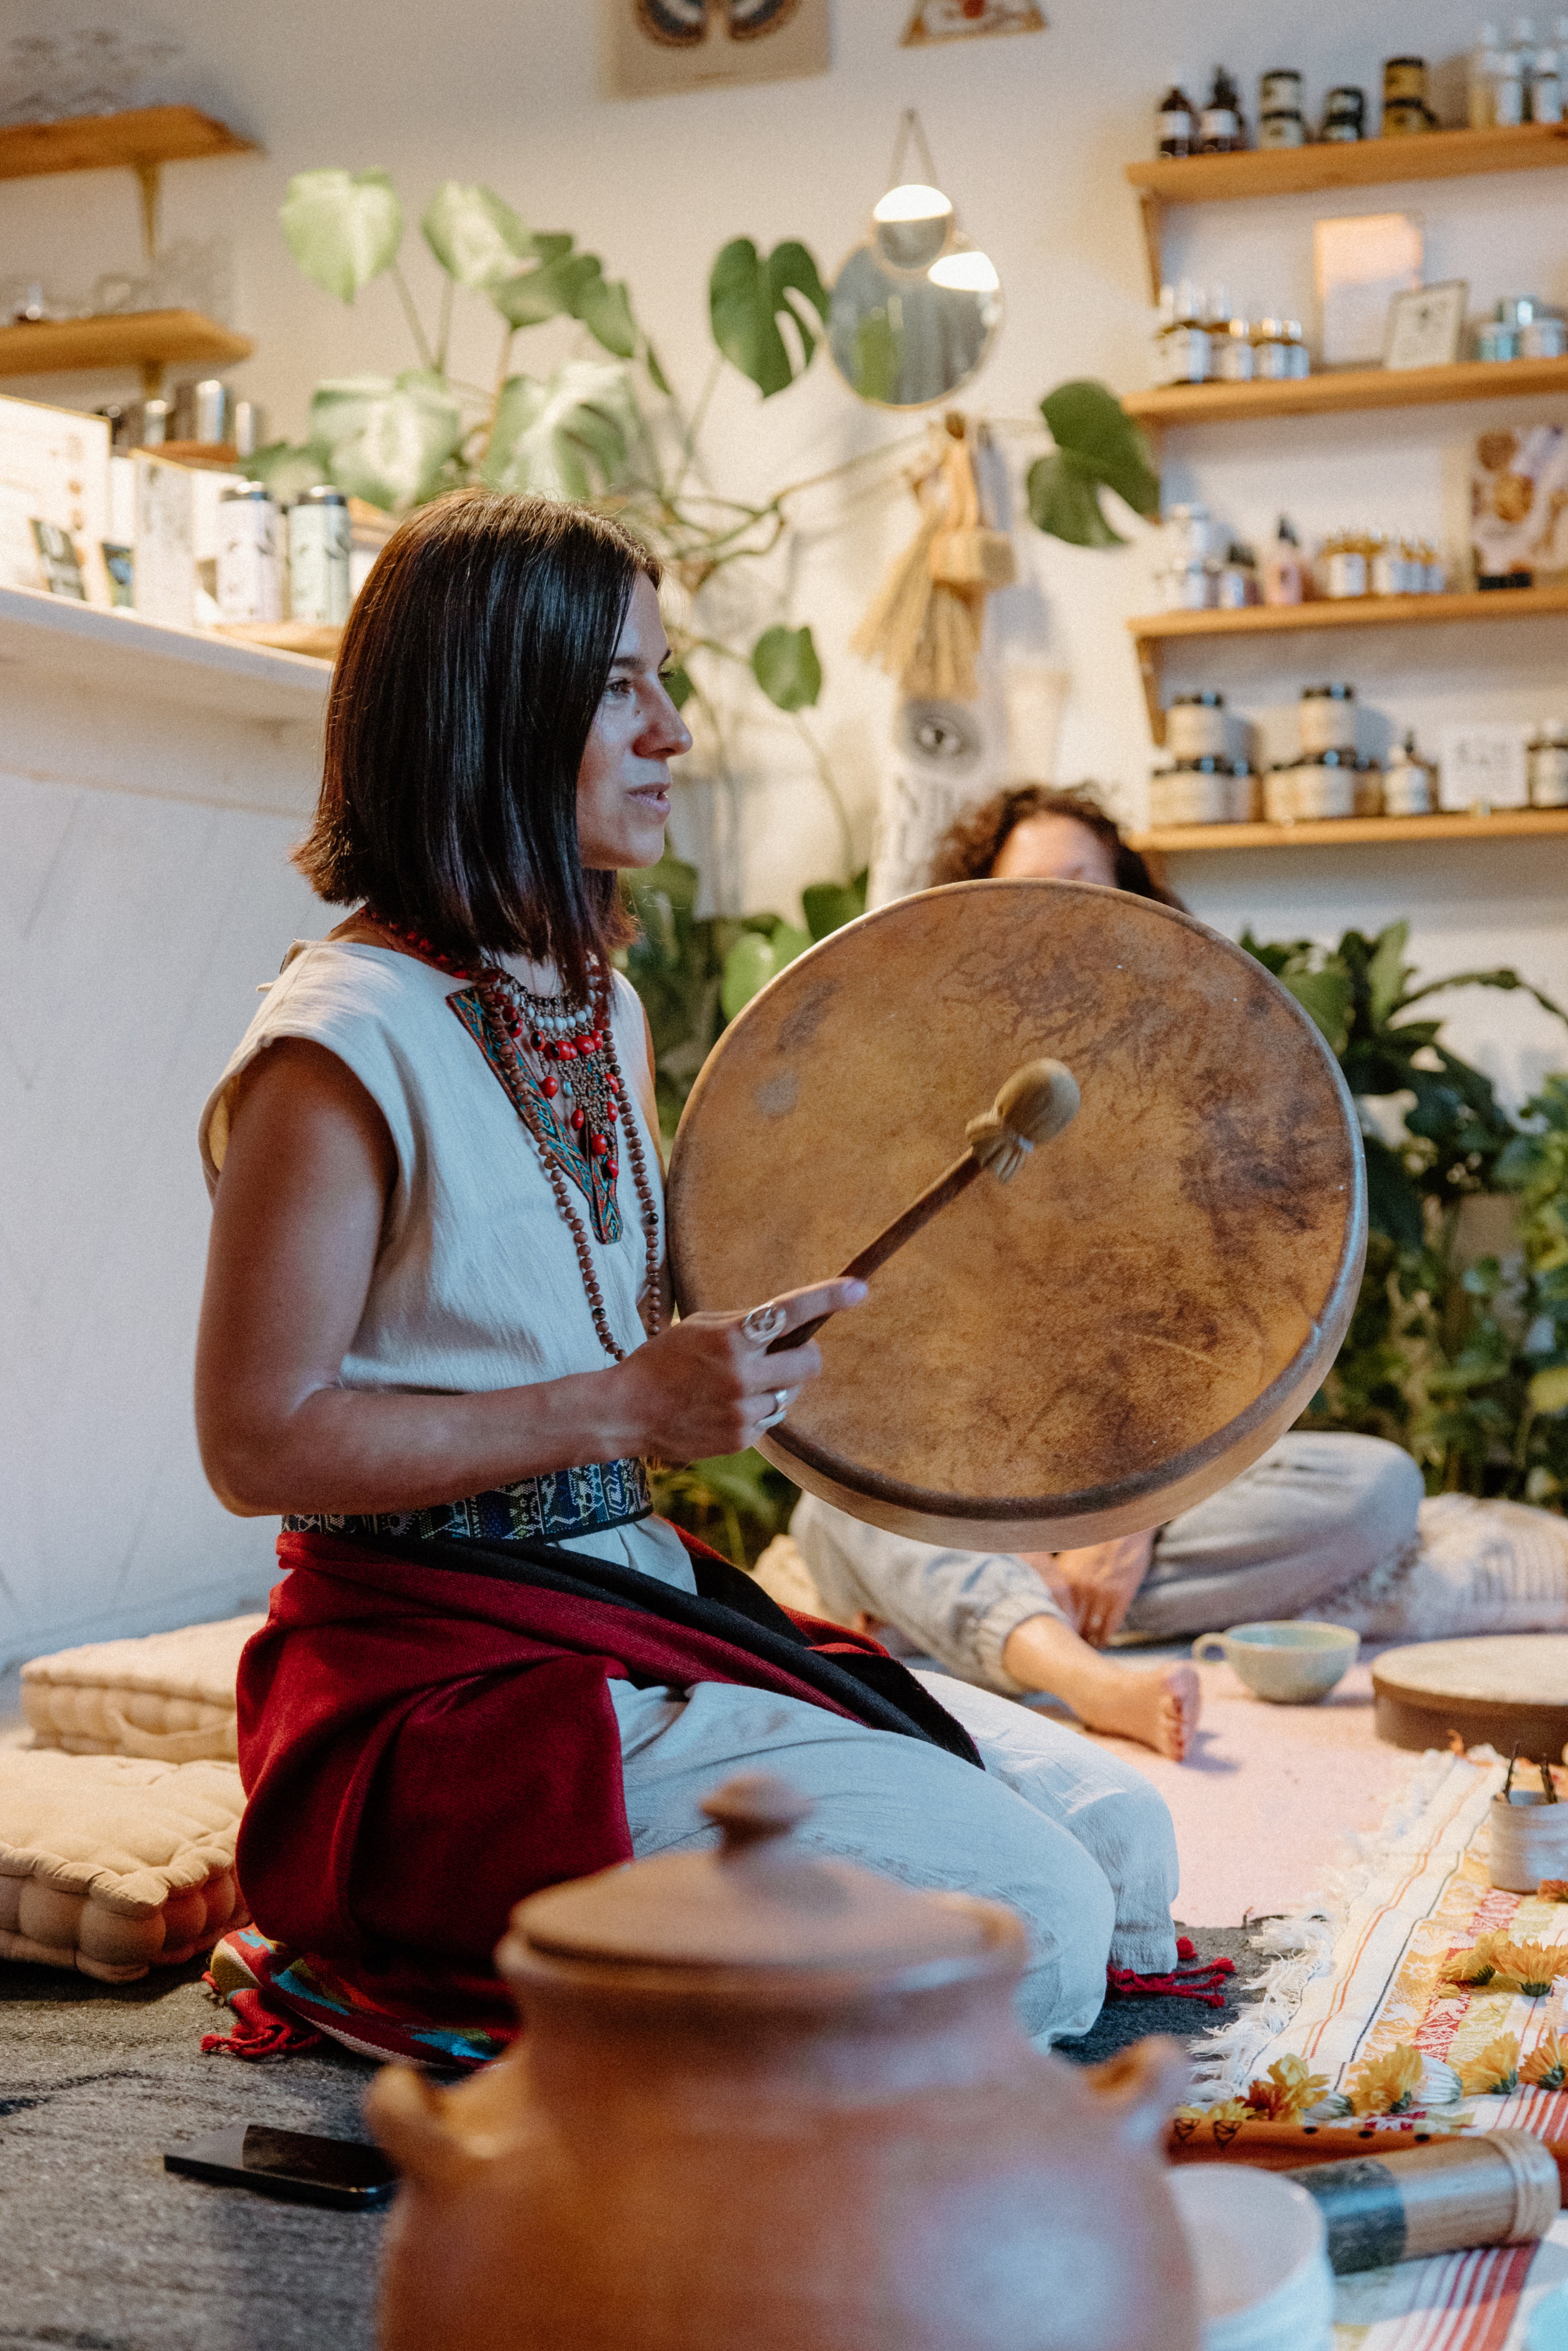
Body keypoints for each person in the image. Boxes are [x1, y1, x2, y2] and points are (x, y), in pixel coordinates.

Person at [194, 495, 1180, 2057]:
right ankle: (402, 1969)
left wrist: (719, 1357)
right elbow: (257, 1442)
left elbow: (573, 1336)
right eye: (619, 690)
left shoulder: (601, 1004)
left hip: (631, 1606)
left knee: (1125, 1848)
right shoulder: (338, 1048)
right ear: (494, 710)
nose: (675, 732)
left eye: (665, 681)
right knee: (1031, 1941)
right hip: (456, 1684)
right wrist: (623, 1403)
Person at [791, 782, 1426, 1762]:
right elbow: (898, 1364)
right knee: (831, 1506)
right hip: (971, 1478)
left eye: (1083, 884)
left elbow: (1229, 1347)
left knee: (1376, 1488)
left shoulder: (1194, 1093)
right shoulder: (918, 1086)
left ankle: (992, 1618)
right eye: (1030, 890)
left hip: (1152, 1474)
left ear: (1133, 899)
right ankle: (1083, 1669)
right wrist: (1020, 1528)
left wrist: (1135, 1519)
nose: (1062, 912)